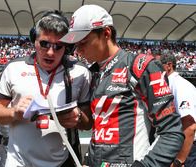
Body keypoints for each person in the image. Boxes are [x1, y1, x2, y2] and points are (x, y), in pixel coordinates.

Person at [60, 4, 184, 167]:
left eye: (83, 42)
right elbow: (97, 126)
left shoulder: (141, 66)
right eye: (75, 45)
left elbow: (172, 132)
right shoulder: (94, 73)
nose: (78, 50)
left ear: (106, 33)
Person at [0, 10, 92, 167]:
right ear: (34, 41)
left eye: (58, 46)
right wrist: (14, 112)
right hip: (18, 162)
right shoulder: (14, 68)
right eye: (44, 44)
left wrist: (78, 119)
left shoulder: (80, 72)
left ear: (67, 48)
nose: (50, 52)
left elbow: (88, 122)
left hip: (63, 162)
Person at [160, 53, 196, 167]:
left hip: (187, 149)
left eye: (157, 65)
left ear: (168, 66)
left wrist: (179, 160)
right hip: (175, 145)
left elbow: (190, 126)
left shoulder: (180, 85)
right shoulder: (168, 83)